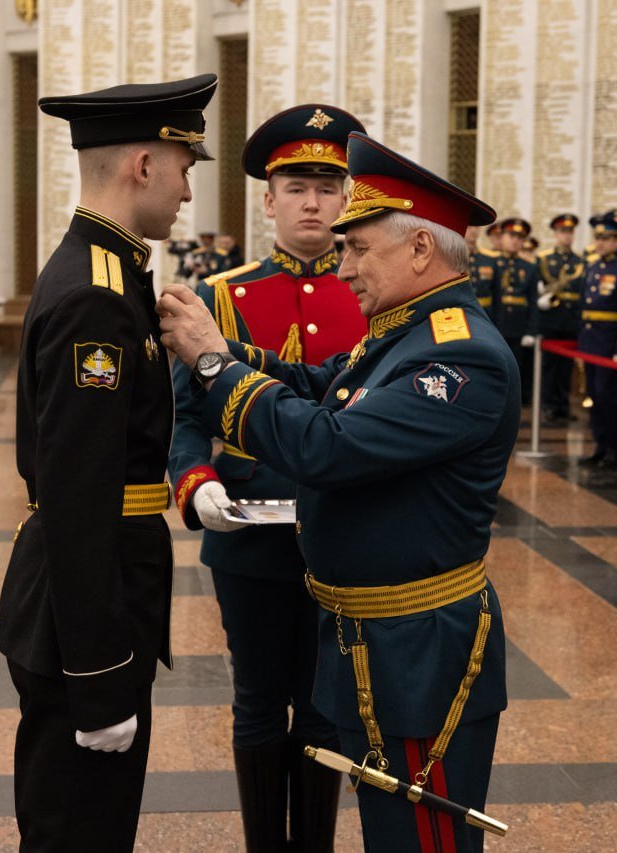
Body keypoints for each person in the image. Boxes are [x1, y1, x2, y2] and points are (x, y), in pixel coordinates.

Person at [159, 131, 513, 853]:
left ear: (419, 251)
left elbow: (329, 444)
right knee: (389, 826)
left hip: (418, 654)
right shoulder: (404, 332)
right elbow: (326, 385)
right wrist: (223, 352)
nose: (343, 266)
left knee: (420, 839)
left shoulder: (459, 352)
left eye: (359, 249)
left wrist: (211, 367)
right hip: (376, 642)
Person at [0, 73, 217, 852]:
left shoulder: (113, 274)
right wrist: (96, 678)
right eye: (184, 165)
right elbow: (79, 493)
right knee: (76, 832)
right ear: (142, 166)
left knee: (92, 824)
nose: (188, 189)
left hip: (100, 602)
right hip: (85, 620)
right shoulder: (95, 293)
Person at [167, 102, 366, 852]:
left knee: (323, 709)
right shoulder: (221, 295)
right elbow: (187, 416)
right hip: (245, 526)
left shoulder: (370, 291)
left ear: (348, 197)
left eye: (326, 185)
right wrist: (194, 482)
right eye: (296, 186)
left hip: (340, 529)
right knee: (256, 701)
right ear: (268, 198)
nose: (312, 202)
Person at [578, 211, 617, 469]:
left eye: (607, 238)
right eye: (598, 238)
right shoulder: (592, 265)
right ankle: (600, 445)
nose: (601, 243)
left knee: (607, 397)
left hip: (609, 342)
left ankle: (615, 449)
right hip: (590, 341)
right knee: (593, 396)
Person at [536, 213, 584, 423]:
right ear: (556, 234)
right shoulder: (545, 259)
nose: (566, 236)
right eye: (562, 232)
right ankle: (548, 406)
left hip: (570, 320)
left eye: (570, 232)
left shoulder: (579, 261)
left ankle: (563, 405)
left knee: (566, 367)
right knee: (549, 367)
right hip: (551, 319)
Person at [495, 217, 538, 405]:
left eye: (520, 237)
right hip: (496, 323)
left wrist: (531, 331)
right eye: (511, 235)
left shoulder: (529, 268)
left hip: (518, 327)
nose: (515, 241)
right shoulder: (491, 263)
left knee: (517, 370)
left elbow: (534, 302)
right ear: (502, 237)